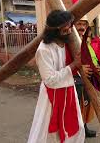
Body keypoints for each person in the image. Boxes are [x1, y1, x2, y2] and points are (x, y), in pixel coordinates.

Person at [27, 10, 91, 143]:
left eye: (69, 28)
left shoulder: (68, 44)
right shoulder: (44, 50)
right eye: (65, 29)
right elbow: (50, 80)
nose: (69, 32)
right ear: (54, 31)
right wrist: (74, 65)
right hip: (52, 97)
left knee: (76, 127)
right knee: (49, 134)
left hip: (69, 92)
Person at [64, 0, 100, 138]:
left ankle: (85, 127)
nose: (81, 27)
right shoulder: (67, 42)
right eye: (78, 24)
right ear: (73, 25)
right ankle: (75, 131)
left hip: (91, 79)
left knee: (88, 106)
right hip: (75, 79)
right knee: (76, 107)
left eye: (84, 24)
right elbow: (65, 61)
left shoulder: (95, 40)